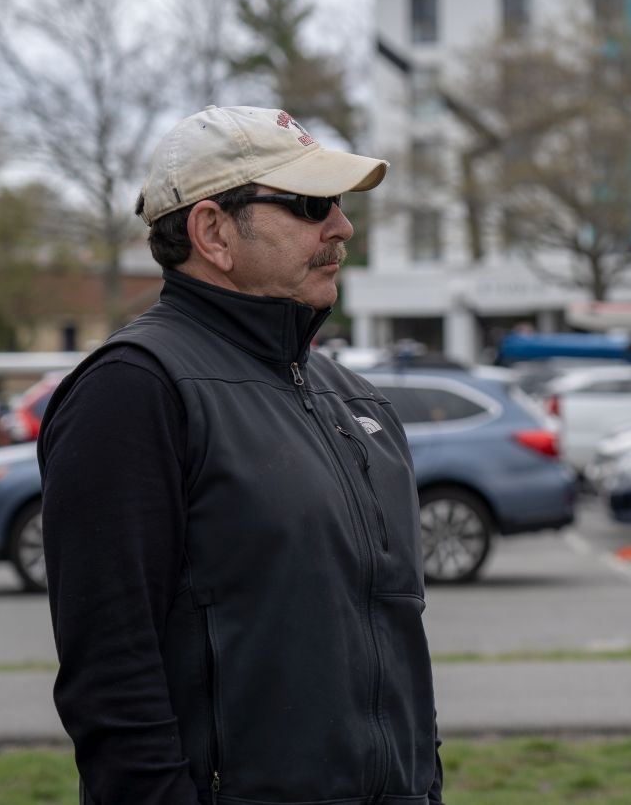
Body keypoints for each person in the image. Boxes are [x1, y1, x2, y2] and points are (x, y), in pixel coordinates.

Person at [39, 105, 443, 805]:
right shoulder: (134, 391)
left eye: (340, 205)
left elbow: (397, 645)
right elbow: (112, 678)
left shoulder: (359, 401)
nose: (342, 227)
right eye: (311, 205)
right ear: (214, 231)